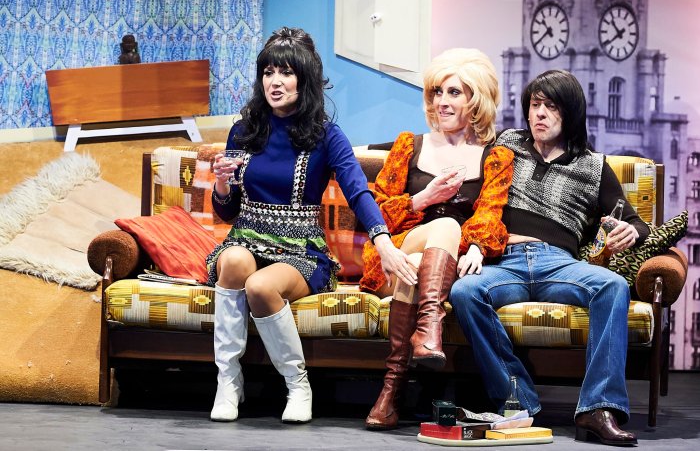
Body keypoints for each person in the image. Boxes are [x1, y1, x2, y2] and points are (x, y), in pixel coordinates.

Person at [206, 27, 417, 424]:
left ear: (304, 80)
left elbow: (358, 192)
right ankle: (228, 382)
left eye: (285, 72)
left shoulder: (325, 136)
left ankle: (298, 385)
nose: (275, 81)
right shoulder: (243, 130)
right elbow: (228, 211)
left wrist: (384, 242)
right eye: (268, 72)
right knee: (232, 263)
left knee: (260, 286)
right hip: (246, 238)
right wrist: (221, 184)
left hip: (299, 250)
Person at [450, 69, 649, 446]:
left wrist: (631, 231)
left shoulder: (593, 165)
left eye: (551, 106)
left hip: (558, 264)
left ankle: (597, 409)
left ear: (570, 113)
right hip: (504, 260)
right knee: (465, 292)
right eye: (535, 105)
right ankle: (519, 403)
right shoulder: (507, 143)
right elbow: (456, 153)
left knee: (612, 286)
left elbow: (637, 222)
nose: (539, 113)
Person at [361, 48, 514, 430]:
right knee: (443, 226)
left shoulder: (495, 157)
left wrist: (477, 246)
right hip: (397, 251)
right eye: (437, 92)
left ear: (476, 100)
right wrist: (423, 198)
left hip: (444, 265)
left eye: (453, 93)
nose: (441, 102)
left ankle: (391, 392)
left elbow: (490, 211)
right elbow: (374, 214)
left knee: (422, 263)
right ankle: (429, 329)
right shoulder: (409, 146)